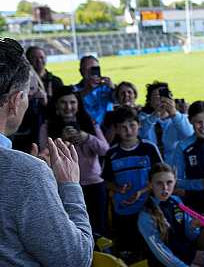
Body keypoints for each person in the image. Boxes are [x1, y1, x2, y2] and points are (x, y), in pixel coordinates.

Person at [0, 36, 92, 267]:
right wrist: (69, 186)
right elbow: (74, 263)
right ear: (15, 101)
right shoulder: (24, 175)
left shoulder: (23, 174)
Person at [40, 86, 110, 235]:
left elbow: (105, 150)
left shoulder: (90, 123)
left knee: (99, 228)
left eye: (72, 102)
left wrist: (87, 138)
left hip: (93, 184)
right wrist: (62, 140)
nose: (68, 107)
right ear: (56, 106)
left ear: (78, 105)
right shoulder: (47, 127)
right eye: (63, 103)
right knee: (73, 229)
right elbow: (43, 157)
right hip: (64, 185)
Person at [102, 106, 163, 256]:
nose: (128, 131)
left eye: (132, 125)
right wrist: (118, 189)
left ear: (139, 125)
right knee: (128, 249)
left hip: (148, 207)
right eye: (123, 127)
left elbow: (161, 177)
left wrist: (142, 191)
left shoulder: (149, 149)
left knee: (150, 248)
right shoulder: (112, 154)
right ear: (116, 129)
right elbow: (106, 181)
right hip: (123, 211)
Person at [138, 81, 194, 160]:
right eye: (157, 97)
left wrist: (174, 114)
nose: (161, 100)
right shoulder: (143, 118)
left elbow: (188, 136)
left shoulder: (180, 119)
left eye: (164, 96)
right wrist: (155, 115)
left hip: (174, 165)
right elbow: (140, 134)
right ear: (150, 102)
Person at [73, 55, 115, 126]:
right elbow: (75, 100)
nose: (91, 73)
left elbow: (118, 100)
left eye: (94, 69)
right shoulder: (75, 89)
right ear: (81, 71)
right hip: (87, 128)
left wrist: (113, 88)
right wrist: (90, 88)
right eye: (87, 69)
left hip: (109, 127)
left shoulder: (107, 86)